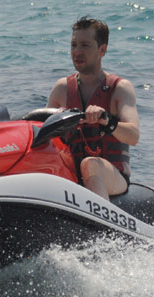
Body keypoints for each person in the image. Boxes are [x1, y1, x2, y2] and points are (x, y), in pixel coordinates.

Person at [47, 16, 140, 199]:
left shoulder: (120, 89)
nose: (77, 51)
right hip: (71, 174)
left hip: (111, 175)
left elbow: (133, 135)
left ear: (102, 50)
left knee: (91, 164)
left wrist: (106, 120)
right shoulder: (61, 89)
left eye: (85, 45)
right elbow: (41, 133)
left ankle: (102, 227)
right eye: (74, 45)